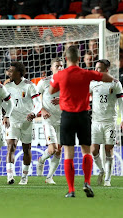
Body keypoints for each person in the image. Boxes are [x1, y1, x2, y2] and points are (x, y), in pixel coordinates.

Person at [49, 45, 114, 198]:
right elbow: (109, 78)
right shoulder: (87, 73)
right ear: (79, 59)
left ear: (66, 59)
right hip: (83, 116)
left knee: (68, 153)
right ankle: (86, 182)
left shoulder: (60, 74)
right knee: (86, 151)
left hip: (67, 117)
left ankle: (71, 190)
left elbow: (51, 91)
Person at [4, 62, 42, 185]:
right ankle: (10, 176)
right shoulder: (7, 86)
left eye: (11, 70)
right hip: (13, 120)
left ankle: (24, 177)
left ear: (19, 73)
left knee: (27, 149)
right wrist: (5, 115)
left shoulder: (30, 85)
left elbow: (38, 103)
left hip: (27, 121)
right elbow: (2, 103)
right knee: (11, 146)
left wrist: (34, 113)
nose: (8, 72)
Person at [90, 60, 123, 187]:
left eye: (99, 69)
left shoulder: (115, 83)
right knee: (94, 150)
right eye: (96, 68)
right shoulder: (92, 83)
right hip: (96, 121)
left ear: (106, 70)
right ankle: (102, 170)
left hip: (110, 121)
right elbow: (84, 96)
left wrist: (122, 119)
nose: (96, 71)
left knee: (108, 150)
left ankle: (108, 179)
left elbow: (121, 102)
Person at [36, 58, 63, 184]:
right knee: (52, 149)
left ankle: (49, 177)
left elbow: (74, 99)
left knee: (59, 150)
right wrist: (42, 110)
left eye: (61, 66)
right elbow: (34, 99)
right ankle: (41, 160)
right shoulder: (44, 82)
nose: (60, 68)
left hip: (63, 119)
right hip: (49, 119)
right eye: (57, 66)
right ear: (51, 68)